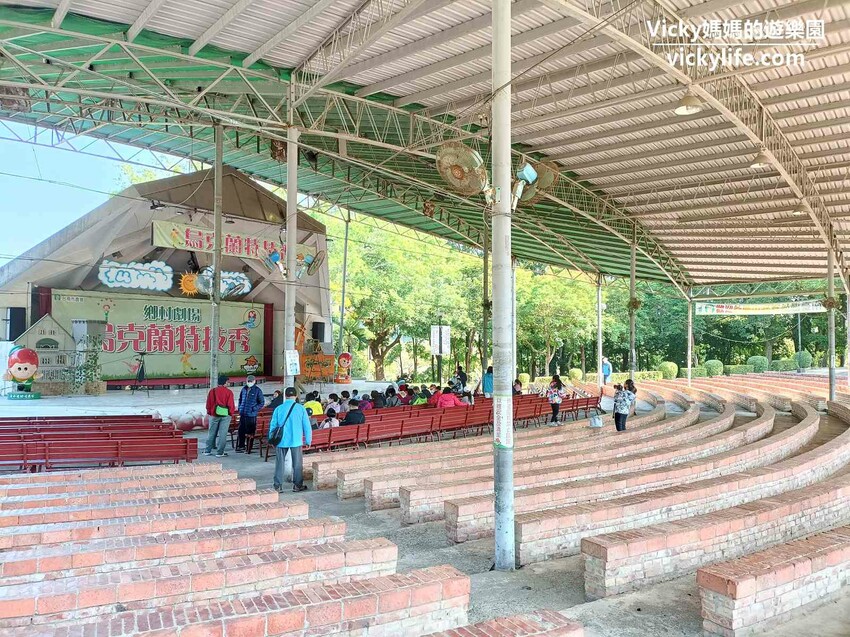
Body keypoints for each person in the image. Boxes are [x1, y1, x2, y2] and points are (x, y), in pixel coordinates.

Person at [268, 386, 312, 492]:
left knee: (279, 463)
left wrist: (271, 439)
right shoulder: (301, 408)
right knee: (297, 464)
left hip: (281, 440)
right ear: (296, 396)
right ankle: (297, 485)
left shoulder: (278, 409)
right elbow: (307, 425)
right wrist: (308, 440)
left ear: (285, 396)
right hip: (296, 440)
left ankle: (278, 486)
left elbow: (273, 425)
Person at [204, 374, 235, 457]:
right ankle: (220, 452)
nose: (228, 383)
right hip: (225, 416)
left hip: (213, 415)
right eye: (228, 382)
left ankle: (207, 450)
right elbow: (231, 405)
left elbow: (208, 404)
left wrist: (210, 412)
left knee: (211, 433)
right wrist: (230, 414)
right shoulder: (229, 392)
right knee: (223, 434)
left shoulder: (212, 391)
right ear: (225, 382)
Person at [236, 375, 265, 452]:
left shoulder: (257, 390)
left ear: (254, 381)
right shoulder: (244, 389)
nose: (249, 383)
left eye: (251, 381)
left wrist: (254, 409)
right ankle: (241, 446)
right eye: (248, 381)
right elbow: (240, 399)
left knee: (250, 431)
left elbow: (261, 403)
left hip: (251, 415)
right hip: (243, 413)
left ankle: (249, 447)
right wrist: (240, 408)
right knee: (241, 430)